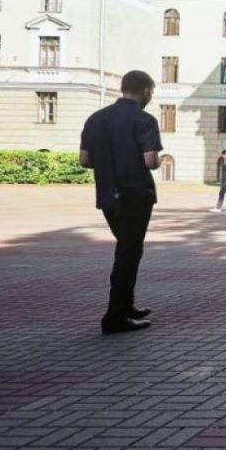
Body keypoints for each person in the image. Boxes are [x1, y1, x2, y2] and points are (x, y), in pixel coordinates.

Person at [79, 70, 164, 335]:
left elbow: (84, 160)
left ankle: (126, 306)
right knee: (128, 253)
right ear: (147, 91)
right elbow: (150, 160)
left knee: (128, 249)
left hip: (107, 195)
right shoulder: (145, 120)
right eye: (152, 92)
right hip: (136, 195)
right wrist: (157, 160)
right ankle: (115, 316)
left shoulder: (96, 119)